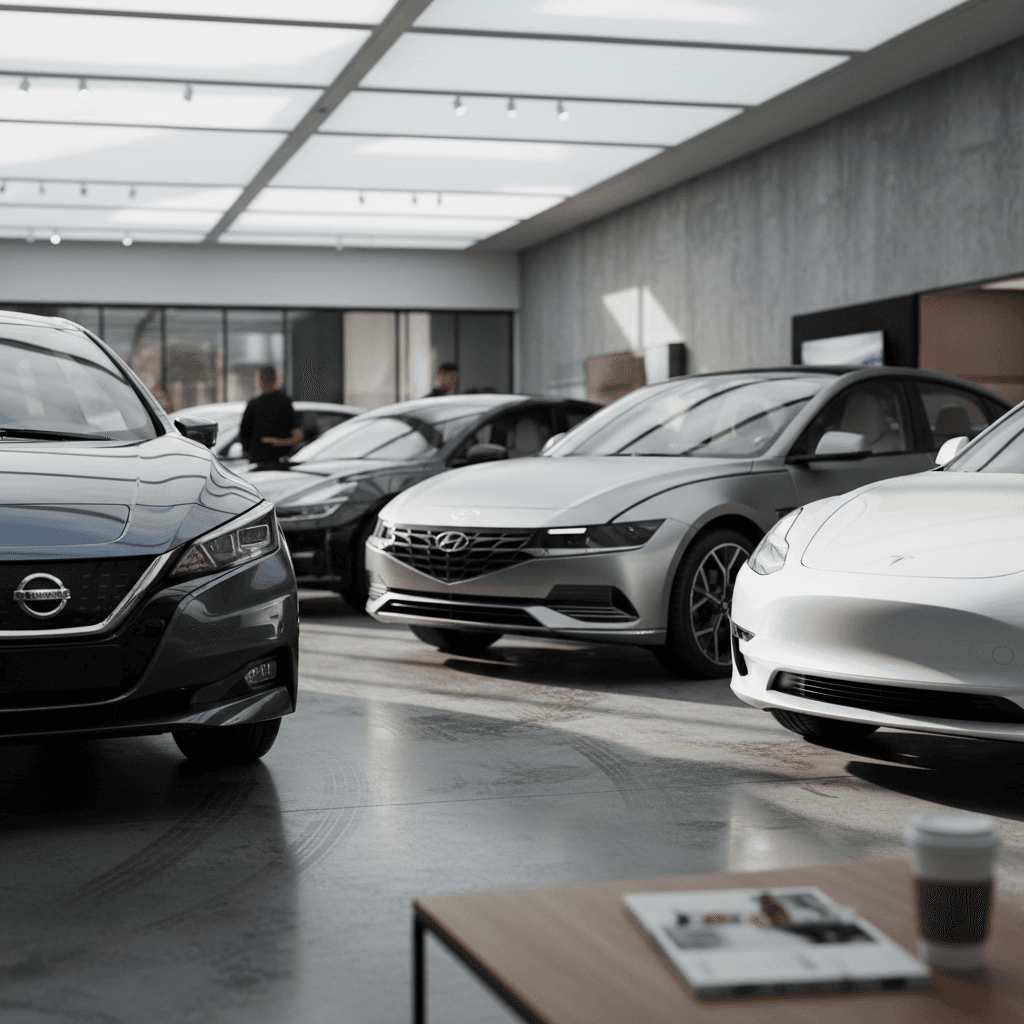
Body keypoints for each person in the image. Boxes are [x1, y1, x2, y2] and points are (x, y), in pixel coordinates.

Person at [238, 366, 303, 470]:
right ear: (275, 380)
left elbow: (244, 435)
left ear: (259, 381)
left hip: (258, 463)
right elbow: (297, 436)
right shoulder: (285, 402)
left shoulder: (254, 404)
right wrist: (278, 442)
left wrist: (270, 442)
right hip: (282, 462)